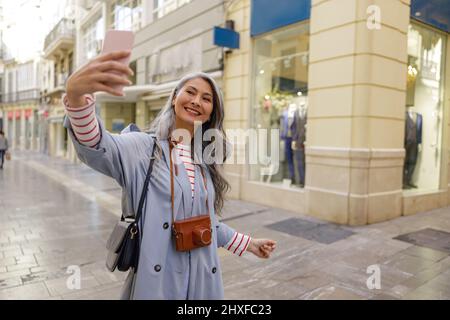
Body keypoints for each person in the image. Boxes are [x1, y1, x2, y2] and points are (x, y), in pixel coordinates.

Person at [63, 50, 277, 300]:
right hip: (160, 284)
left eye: (206, 98)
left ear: (211, 113)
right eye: (190, 92)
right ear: (175, 97)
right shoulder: (142, 147)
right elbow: (98, 145)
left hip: (202, 282)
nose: (197, 101)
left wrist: (249, 244)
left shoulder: (203, 161)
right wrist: (77, 98)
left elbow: (204, 223)